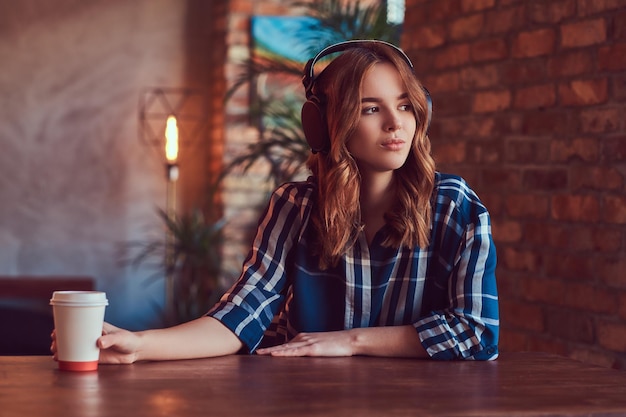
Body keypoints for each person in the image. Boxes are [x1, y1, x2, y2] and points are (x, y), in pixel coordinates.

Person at [51, 40, 499, 364]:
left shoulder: (456, 208)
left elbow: (477, 334)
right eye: (369, 108)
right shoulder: (295, 207)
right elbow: (241, 314)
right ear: (324, 126)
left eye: (404, 105)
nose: (394, 124)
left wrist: (351, 341)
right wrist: (140, 346)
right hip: (305, 400)